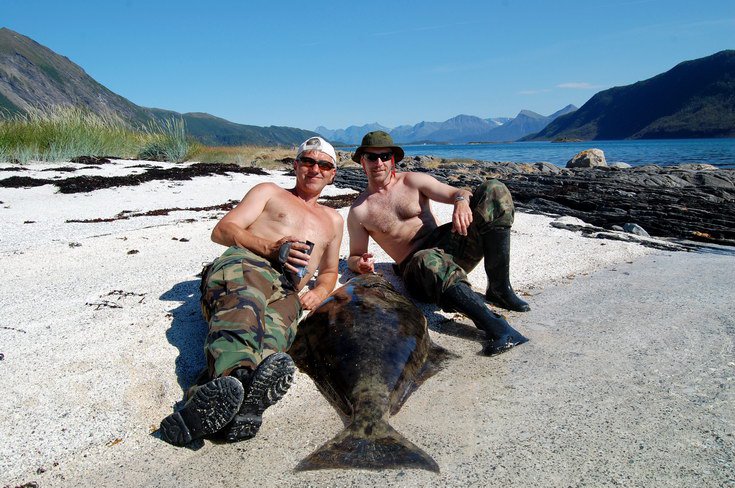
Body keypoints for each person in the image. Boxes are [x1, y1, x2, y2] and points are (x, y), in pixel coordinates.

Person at [160, 136, 343, 446]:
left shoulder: (334, 220)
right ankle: (241, 389)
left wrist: (322, 291)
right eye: (308, 162)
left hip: (287, 291)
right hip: (248, 264)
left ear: (332, 173)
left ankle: (219, 400)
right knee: (244, 311)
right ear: (296, 165)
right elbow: (222, 230)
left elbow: (328, 271)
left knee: (274, 340)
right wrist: (270, 248)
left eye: (323, 164)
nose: (315, 169)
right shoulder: (270, 193)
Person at [347, 131, 529, 356]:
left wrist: (461, 201)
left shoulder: (412, 181)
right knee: (427, 259)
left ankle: (500, 289)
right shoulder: (359, 211)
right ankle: (498, 328)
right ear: (362, 161)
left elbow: (458, 192)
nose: (379, 163)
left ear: (392, 159)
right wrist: (360, 264)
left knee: (494, 189)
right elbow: (354, 256)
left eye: (384, 156)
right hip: (416, 269)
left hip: (449, 247)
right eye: (371, 157)